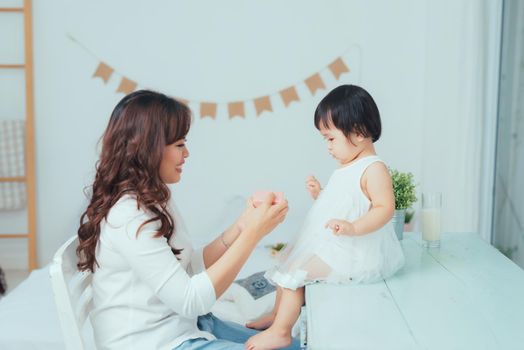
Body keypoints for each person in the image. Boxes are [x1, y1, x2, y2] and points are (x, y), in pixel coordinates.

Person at [76, 90, 300, 350]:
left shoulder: (152, 198)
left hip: (185, 327)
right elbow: (191, 300)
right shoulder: (129, 215)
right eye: (180, 145)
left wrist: (241, 227)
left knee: (296, 345)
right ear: (149, 148)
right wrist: (253, 235)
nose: (187, 154)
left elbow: (187, 267)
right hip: (156, 343)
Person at [245, 85, 405, 350]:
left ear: (359, 131)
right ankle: (277, 317)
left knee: (297, 272)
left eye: (330, 138)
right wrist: (321, 194)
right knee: (290, 260)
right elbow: (343, 205)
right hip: (340, 243)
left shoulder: (374, 169)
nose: (327, 146)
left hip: (358, 253)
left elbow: (383, 208)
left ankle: (282, 331)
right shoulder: (346, 167)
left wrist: (353, 227)